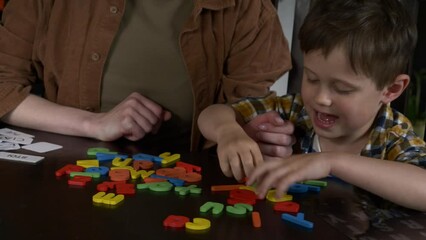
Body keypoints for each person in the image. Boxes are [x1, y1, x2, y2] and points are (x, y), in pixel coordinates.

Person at [198, 0, 426, 216]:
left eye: (343, 89)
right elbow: (212, 114)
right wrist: (228, 131)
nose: (321, 98)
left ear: (391, 90)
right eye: (312, 78)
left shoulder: (393, 134)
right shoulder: (295, 111)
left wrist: (331, 162)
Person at [0, 0, 295, 156]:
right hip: (67, 172)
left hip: (192, 182)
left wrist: (249, 132)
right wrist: (93, 123)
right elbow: (3, 86)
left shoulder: (246, 8)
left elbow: (245, 106)